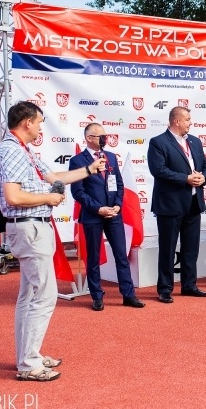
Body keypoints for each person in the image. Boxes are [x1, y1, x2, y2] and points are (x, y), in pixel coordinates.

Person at [0, 101, 106, 382]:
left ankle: (28, 355)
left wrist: (90, 169)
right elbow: (14, 197)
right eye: (40, 122)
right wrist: (48, 197)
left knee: (29, 296)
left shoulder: (23, 150)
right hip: (30, 228)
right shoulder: (12, 151)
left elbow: (56, 177)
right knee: (42, 296)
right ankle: (29, 363)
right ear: (28, 122)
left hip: (31, 228)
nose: (41, 127)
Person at [70, 123, 144, 311]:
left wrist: (118, 205)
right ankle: (97, 296)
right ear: (89, 138)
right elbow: (78, 192)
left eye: (105, 135)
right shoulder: (78, 161)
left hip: (114, 215)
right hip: (93, 216)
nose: (104, 138)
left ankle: (128, 294)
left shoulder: (110, 157)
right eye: (100, 135)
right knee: (93, 257)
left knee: (121, 255)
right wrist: (99, 208)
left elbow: (119, 184)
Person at [148, 106, 206, 303]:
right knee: (167, 249)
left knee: (191, 247)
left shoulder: (194, 141)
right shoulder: (158, 142)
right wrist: (185, 178)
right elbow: (158, 170)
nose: (190, 122)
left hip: (193, 203)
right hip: (170, 204)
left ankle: (189, 285)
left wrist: (203, 178)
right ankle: (165, 289)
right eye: (187, 119)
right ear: (176, 121)